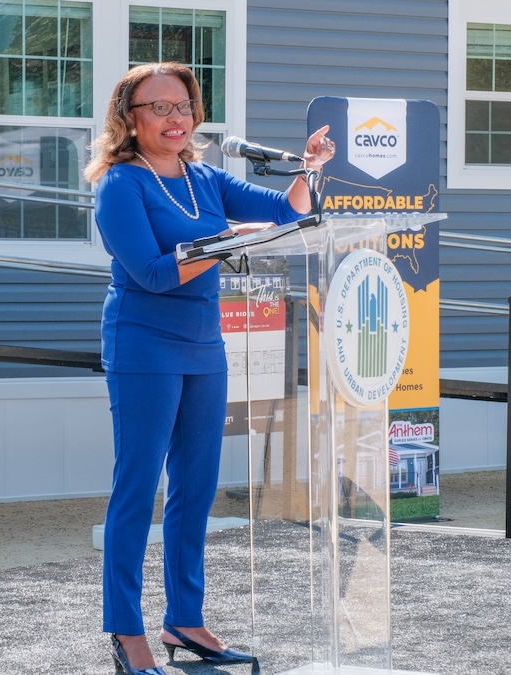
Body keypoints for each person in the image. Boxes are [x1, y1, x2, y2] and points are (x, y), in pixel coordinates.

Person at [83, 62, 335, 675]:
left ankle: (184, 620)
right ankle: (125, 629)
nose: (176, 117)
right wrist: (226, 242)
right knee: (137, 489)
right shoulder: (121, 185)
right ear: (129, 119)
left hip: (203, 343)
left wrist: (308, 168)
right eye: (159, 107)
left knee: (196, 486)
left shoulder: (204, 178)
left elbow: (285, 213)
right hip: (143, 343)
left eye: (184, 106)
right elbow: (150, 272)